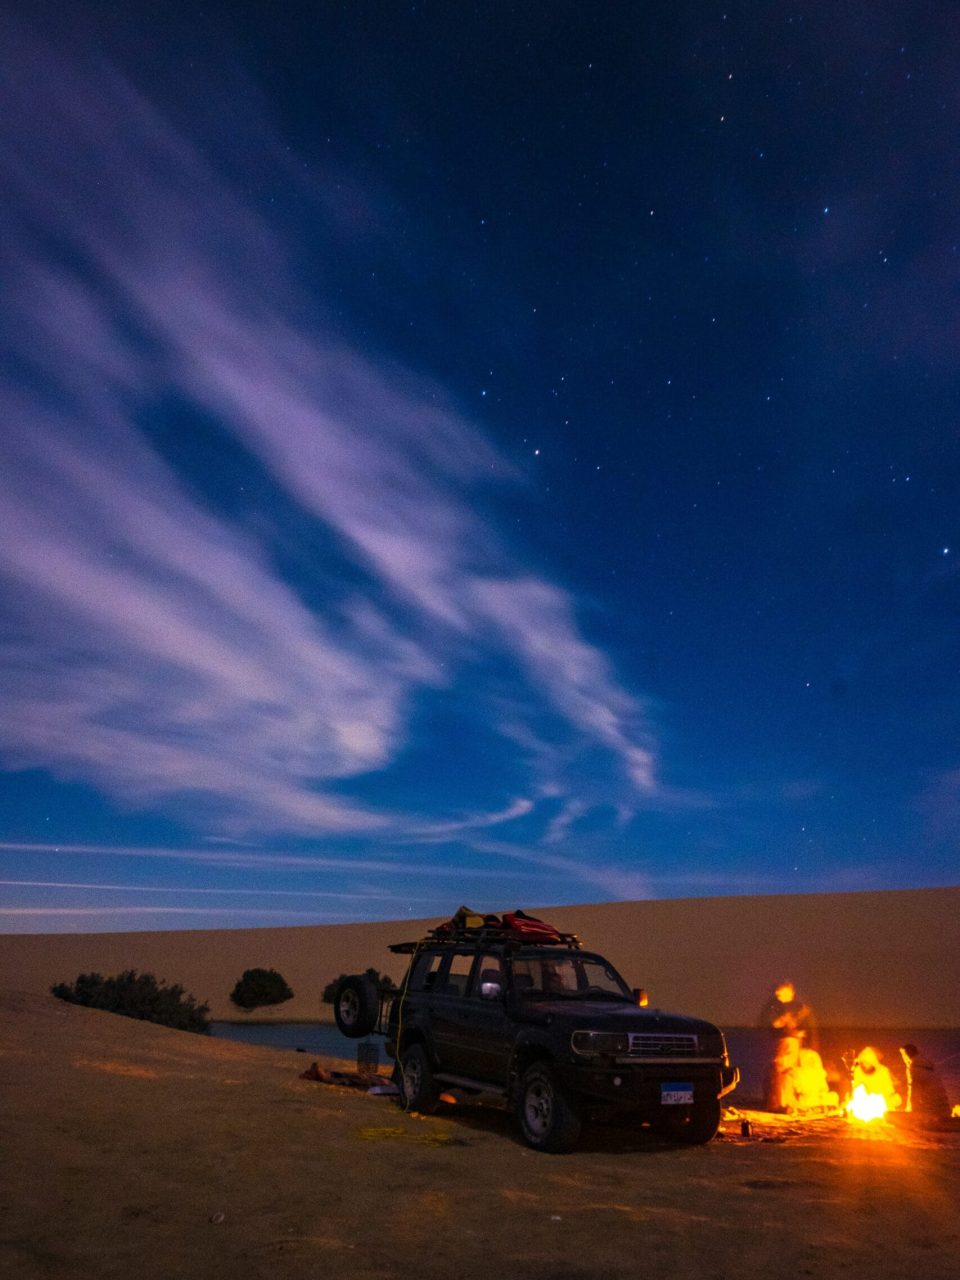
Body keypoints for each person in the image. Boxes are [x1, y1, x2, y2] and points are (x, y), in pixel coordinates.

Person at [759, 980, 818, 1109]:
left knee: (788, 1072)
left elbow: (793, 1024)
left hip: (790, 1043)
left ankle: (785, 1101)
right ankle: (780, 1102)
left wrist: (796, 1032)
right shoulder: (775, 1006)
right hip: (784, 1043)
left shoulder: (793, 1006)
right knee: (781, 1071)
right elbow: (773, 1024)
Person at [899, 1043, 949, 1118]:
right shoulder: (928, 1065)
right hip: (945, 1109)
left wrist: (911, 1111)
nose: (903, 1057)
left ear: (907, 1054)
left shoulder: (915, 1068)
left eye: (903, 1054)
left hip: (930, 1112)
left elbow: (914, 1091)